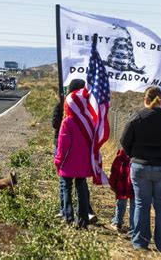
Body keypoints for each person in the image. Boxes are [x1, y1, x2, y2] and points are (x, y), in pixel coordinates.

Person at [120, 86, 161, 252]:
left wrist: (133, 155)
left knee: (142, 204)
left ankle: (140, 243)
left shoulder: (137, 117)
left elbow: (124, 140)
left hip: (141, 167)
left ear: (145, 99)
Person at [52, 79, 97, 224]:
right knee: (81, 187)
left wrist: (58, 161)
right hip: (83, 161)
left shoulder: (68, 122)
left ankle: (68, 215)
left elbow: (63, 145)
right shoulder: (89, 119)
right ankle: (83, 218)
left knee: (66, 186)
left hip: (68, 161)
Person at [109, 149, 134, 233]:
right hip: (134, 184)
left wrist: (112, 184)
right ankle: (133, 226)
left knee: (121, 202)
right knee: (134, 205)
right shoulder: (139, 155)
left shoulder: (121, 155)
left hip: (122, 184)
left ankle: (117, 222)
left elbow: (114, 171)